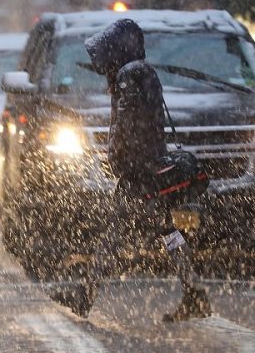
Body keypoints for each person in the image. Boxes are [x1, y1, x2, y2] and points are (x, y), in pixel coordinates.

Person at [52, 19, 211, 322]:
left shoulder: (128, 75)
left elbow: (128, 125)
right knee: (167, 232)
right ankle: (194, 293)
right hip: (150, 167)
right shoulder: (141, 71)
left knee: (114, 236)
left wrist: (124, 163)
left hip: (139, 174)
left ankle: (86, 295)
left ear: (117, 49)